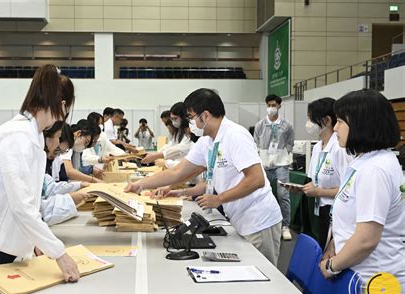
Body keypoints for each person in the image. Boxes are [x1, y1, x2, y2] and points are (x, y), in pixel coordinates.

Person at [126, 88, 283, 265]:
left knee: (261, 278)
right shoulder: (207, 141)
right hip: (240, 218)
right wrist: (139, 185)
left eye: (192, 117)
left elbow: (256, 179)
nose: (191, 123)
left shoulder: (235, 135)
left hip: (259, 220)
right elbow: (178, 172)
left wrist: (219, 199)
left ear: (205, 115)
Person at [0, 65, 80, 282]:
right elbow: (22, 206)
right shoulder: (18, 137)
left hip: (3, 242)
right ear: (62, 106)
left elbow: (28, 203)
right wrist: (59, 253)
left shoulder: (33, 136)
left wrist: (37, 242)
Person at [319, 89, 404, 294]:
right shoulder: (364, 162)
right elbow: (350, 215)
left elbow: (366, 239)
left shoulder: (375, 170)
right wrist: (334, 245)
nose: (335, 128)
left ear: (361, 124)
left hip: (376, 289)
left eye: (340, 121)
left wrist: (331, 266)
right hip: (360, 281)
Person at [284, 98, 352, 249]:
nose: (308, 124)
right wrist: (302, 189)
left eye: (311, 119)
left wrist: (318, 191)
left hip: (337, 212)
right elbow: (315, 181)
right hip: (321, 209)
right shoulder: (317, 148)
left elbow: (349, 190)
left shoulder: (340, 149)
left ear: (327, 120)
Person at [254, 94, 294, 241]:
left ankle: (285, 226)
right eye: (269, 105)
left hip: (281, 164)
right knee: (262, 194)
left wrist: (284, 156)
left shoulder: (287, 126)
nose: (271, 108)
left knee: (283, 195)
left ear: (279, 106)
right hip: (264, 164)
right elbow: (256, 144)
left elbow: (290, 143)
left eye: (274, 105)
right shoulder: (260, 125)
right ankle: (265, 224)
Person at [42, 120, 92, 226]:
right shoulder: (30, 159)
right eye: (56, 150)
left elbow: (50, 188)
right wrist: (71, 199)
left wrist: (79, 185)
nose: (55, 156)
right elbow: (39, 211)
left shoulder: (45, 160)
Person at [141, 102, 195, 168]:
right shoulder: (180, 132)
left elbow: (180, 149)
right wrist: (156, 154)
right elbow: (171, 145)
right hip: (178, 166)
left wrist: (158, 156)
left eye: (175, 119)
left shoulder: (190, 131)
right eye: (172, 119)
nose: (173, 122)